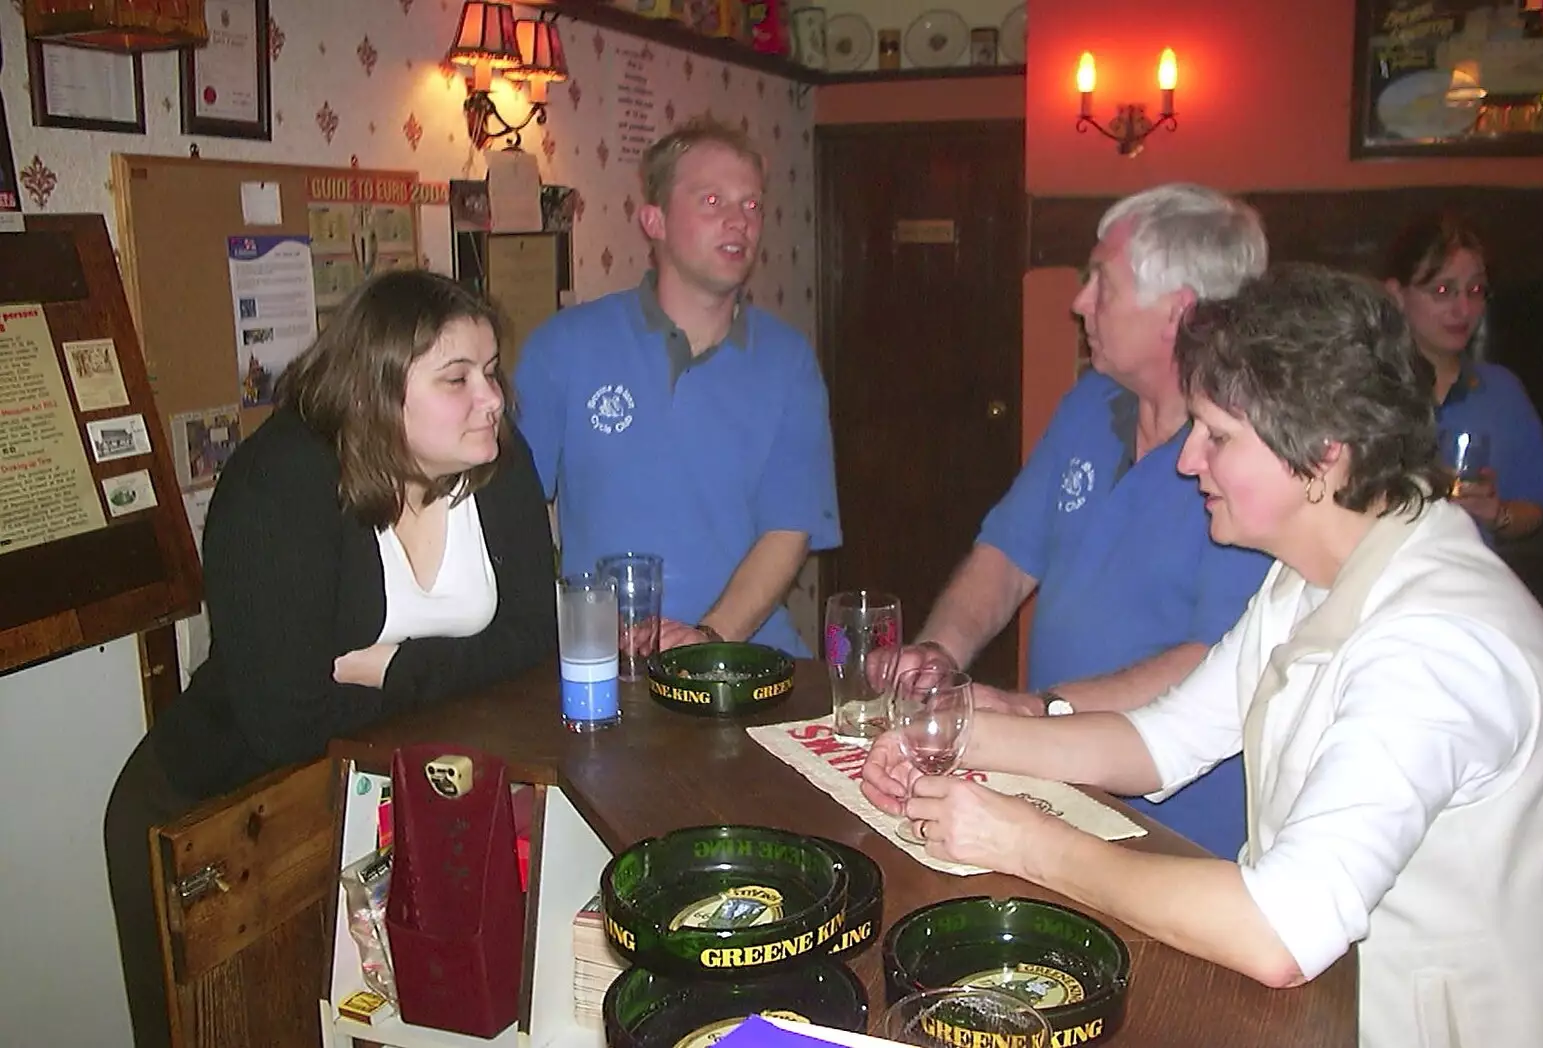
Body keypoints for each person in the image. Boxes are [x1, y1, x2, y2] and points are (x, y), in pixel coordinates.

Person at [864, 264, 1543, 1047]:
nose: (1188, 462)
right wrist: (948, 730)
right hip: (1332, 1012)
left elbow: (1280, 933)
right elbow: (1163, 740)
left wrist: (1024, 841)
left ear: (1324, 457)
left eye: (1217, 436)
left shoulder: (1437, 644)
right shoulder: (1317, 573)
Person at [104, 270, 558, 1047]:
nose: (493, 400)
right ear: (378, 388)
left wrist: (391, 669)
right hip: (220, 812)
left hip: (385, 795)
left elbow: (534, 641)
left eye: (492, 373)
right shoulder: (285, 480)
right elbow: (288, 723)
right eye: (458, 378)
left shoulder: (494, 459)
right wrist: (451, 675)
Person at [899, 184, 1272, 858]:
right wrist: (939, 655)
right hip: (1055, 790)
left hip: (1182, 834)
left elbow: (1215, 660)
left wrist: (1033, 711)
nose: (1078, 302)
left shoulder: (1249, 456)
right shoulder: (1090, 403)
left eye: (1101, 282)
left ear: (1178, 311)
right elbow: (1006, 557)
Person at [514, 118, 840, 657]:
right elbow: (512, 512)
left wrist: (708, 639)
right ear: (654, 221)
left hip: (745, 662)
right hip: (608, 666)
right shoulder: (564, 347)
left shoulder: (788, 361)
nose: (739, 221)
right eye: (713, 201)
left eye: (752, 205)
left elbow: (789, 529)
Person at [1383, 212, 1543, 541]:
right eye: (1443, 290)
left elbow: (1533, 506)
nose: (1463, 309)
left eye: (1475, 290)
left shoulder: (1502, 392)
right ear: (1396, 294)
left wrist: (1496, 514)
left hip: (1466, 580)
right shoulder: (1365, 386)